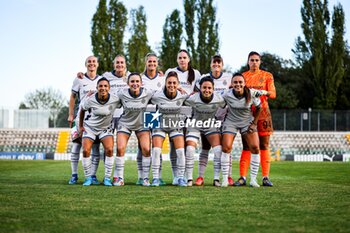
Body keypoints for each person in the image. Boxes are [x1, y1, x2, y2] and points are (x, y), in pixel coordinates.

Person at [234, 51, 276, 187]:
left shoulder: (267, 76)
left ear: (260, 62)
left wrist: (264, 92)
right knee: (247, 146)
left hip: (263, 113)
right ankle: (242, 177)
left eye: (257, 60)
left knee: (264, 145)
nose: (254, 62)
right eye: (251, 60)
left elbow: (274, 94)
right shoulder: (244, 76)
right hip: (247, 114)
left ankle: (265, 177)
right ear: (248, 62)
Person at [221, 73, 267, 187]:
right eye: (235, 82)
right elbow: (219, 105)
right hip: (231, 121)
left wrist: (254, 124)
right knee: (226, 147)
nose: (238, 84)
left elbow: (259, 108)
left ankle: (253, 180)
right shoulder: (226, 94)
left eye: (240, 82)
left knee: (255, 147)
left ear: (244, 83)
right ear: (231, 84)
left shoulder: (251, 93)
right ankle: (225, 179)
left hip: (247, 122)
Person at [194, 54, 233, 186]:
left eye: (219, 64)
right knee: (205, 147)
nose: (216, 66)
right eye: (214, 64)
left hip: (224, 118)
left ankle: (228, 176)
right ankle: (200, 176)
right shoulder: (203, 78)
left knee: (226, 148)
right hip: (208, 118)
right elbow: (195, 94)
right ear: (211, 65)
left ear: (222, 65)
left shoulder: (229, 78)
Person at [164, 49, 201, 185]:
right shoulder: (171, 72)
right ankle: (176, 175)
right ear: (177, 60)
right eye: (180, 58)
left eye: (184, 57)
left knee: (187, 145)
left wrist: (188, 95)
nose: (182, 60)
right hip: (176, 111)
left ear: (188, 59)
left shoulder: (196, 73)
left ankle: (185, 175)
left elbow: (199, 90)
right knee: (175, 144)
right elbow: (166, 88)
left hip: (190, 112)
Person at [113, 73, 153, 187]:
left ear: (141, 83)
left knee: (146, 149)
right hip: (125, 123)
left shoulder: (148, 93)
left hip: (141, 124)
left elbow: (161, 95)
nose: (135, 84)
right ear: (128, 83)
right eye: (132, 81)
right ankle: (119, 178)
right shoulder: (121, 93)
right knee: (120, 148)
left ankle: (145, 178)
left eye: (137, 81)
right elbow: (109, 97)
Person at [78, 77, 121, 186]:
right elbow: (82, 110)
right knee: (86, 150)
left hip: (105, 129)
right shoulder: (90, 99)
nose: (103, 88)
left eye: (105, 86)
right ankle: (88, 178)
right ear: (97, 88)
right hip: (90, 128)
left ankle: (107, 178)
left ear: (109, 88)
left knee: (110, 150)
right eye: (100, 86)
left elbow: (125, 102)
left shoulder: (115, 99)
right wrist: (81, 126)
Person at [184, 76, 225, 187]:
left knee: (218, 150)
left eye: (209, 88)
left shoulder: (219, 98)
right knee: (190, 149)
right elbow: (182, 102)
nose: (207, 90)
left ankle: (216, 179)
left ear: (213, 89)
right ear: (200, 88)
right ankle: (189, 179)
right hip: (195, 125)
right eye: (204, 88)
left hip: (210, 125)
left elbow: (226, 105)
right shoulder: (193, 98)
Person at [67, 55, 101, 185]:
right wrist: (71, 114)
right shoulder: (79, 79)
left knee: (96, 148)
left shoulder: (102, 79)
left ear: (97, 64)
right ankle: (74, 175)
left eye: (94, 62)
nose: (91, 64)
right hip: (79, 118)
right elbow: (72, 97)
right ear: (86, 64)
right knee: (76, 146)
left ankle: (92, 175)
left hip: (95, 120)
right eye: (89, 62)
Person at [150, 71, 188, 187]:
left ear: (178, 84)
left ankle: (180, 178)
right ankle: (156, 178)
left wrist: (184, 91)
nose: (171, 85)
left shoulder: (183, 96)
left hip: (175, 126)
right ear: (165, 83)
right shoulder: (157, 96)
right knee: (156, 150)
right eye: (169, 83)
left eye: (174, 83)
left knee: (181, 152)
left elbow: (192, 101)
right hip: (160, 126)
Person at [133, 53, 166, 186]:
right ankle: (141, 176)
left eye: (154, 61)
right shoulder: (140, 79)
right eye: (149, 61)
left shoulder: (162, 79)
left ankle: (159, 176)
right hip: (142, 115)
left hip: (158, 115)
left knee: (157, 147)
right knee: (143, 148)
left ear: (157, 63)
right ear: (145, 63)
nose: (152, 63)